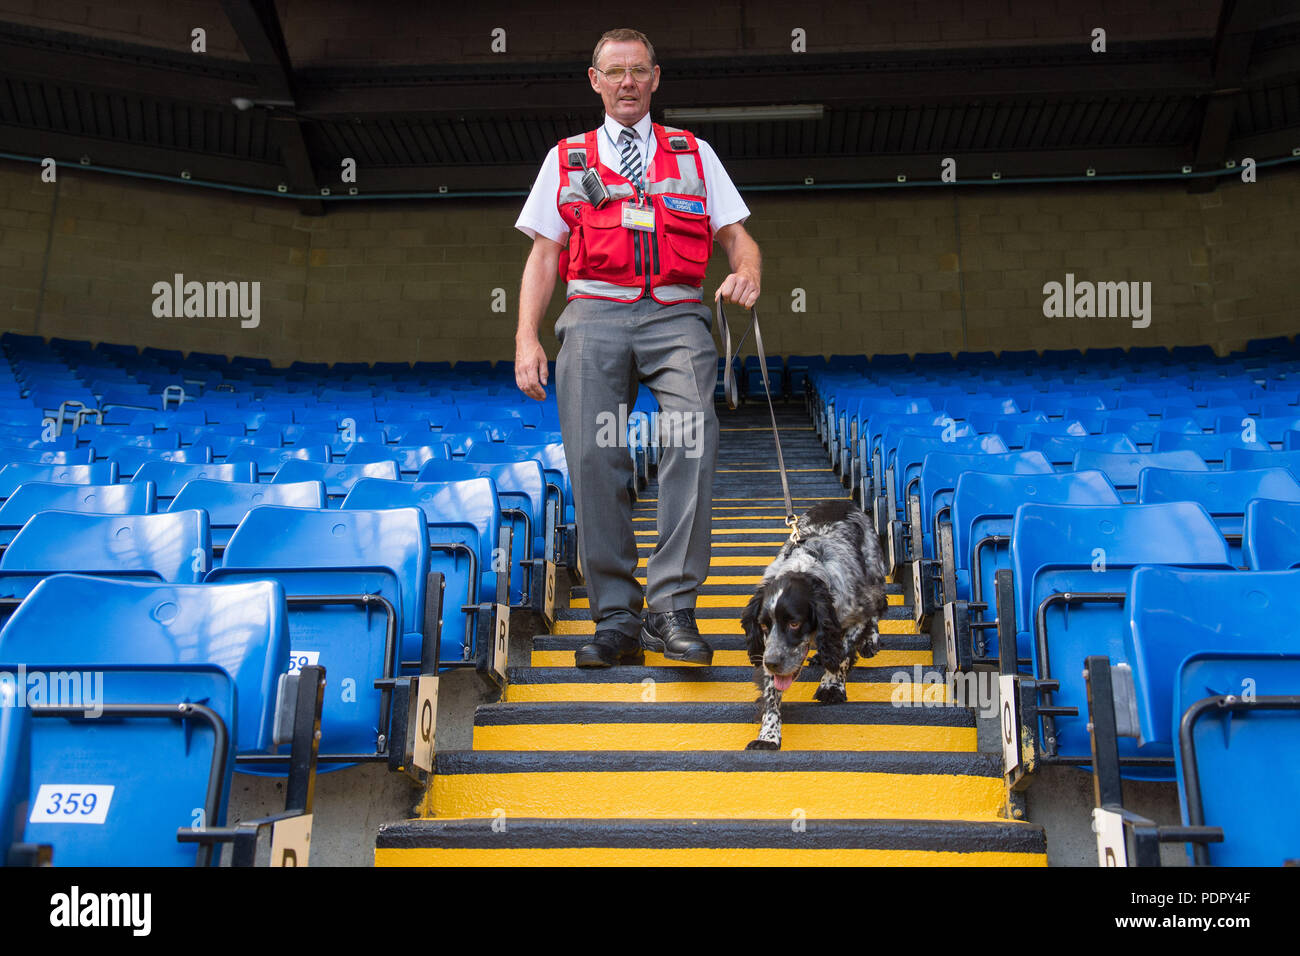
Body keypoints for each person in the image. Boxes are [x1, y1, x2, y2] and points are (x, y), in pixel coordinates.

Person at [513, 27, 762, 668]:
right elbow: (544, 256)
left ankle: (672, 609)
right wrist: (526, 338)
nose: (627, 81)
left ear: (656, 78)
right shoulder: (567, 158)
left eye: (638, 70)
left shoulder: (694, 153)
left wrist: (748, 271)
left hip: (676, 316)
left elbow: (737, 238)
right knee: (597, 458)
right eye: (614, 71)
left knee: (689, 435)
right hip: (592, 313)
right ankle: (617, 620)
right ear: (595, 81)